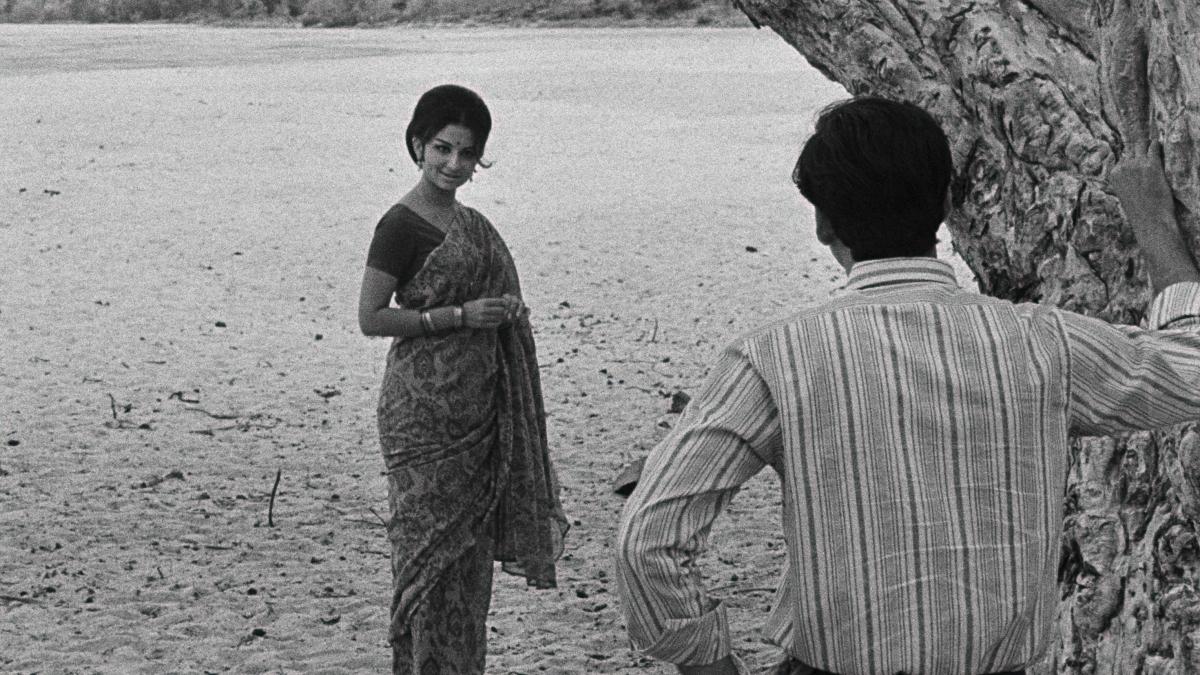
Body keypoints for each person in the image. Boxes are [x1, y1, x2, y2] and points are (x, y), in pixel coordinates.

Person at [614, 96, 1200, 675]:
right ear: (946, 204)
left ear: (823, 223)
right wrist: (1152, 218)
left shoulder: (773, 357)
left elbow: (648, 540)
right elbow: (1190, 366)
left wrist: (711, 665)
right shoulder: (1042, 342)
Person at [357, 84, 568, 675]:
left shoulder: (474, 225)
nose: (453, 165)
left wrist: (506, 312)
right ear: (419, 144)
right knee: (425, 563)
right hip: (421, 417)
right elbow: (371, 317)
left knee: (469, 573)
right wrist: (457, 317)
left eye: (467, 154)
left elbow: (500, 301)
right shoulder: (399, 225)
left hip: (480, 409)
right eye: (443, 149)